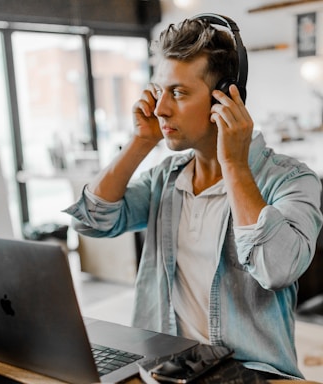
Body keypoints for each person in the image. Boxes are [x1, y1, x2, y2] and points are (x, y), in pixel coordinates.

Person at [64, 14, 323, 380]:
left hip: (249, 375)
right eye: (159, 91)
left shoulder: (291, 179)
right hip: (162, 370)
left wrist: (233, 162)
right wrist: (141, 141)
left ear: (227, 98)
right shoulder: (166, 179)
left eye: (179, 93)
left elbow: (277, 269)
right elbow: (89, 220)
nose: (160, 108)